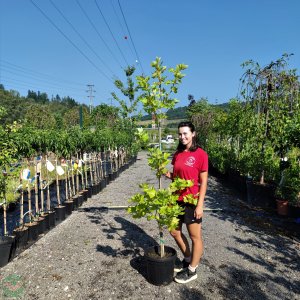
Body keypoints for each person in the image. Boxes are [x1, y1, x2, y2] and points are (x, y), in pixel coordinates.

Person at [165, 121, 208, 284]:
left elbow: (203, 182)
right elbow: (176, 177)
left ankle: (192, 270)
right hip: (176, 199)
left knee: (194, 236)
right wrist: (165, 173)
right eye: (180, 134)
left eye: (185, 133)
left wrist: (200, 204)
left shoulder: (201, 154)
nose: (182, 137)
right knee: (173, 231)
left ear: (193, 134)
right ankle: (188, 258)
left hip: (191, 200)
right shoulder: (177, 154)